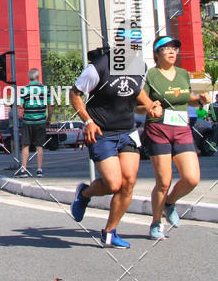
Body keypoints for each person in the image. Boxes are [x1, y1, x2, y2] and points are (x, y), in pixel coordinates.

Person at [69, 43, 162, 248]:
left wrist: (150, 106)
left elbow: (136, 92)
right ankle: (84, 193)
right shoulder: (99, 67)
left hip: (127, 131)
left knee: (128, 182)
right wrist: (88, 122)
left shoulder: (140, 67)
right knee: (113, 184)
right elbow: (75, 94)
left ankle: (110, 232)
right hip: (102, 132)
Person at [143, 36, 210, 239]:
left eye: (174, 48)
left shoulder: (182, 74)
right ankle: (155, 223)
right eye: (166, 48)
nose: (172, 52)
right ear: (157, 53)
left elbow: (184, 96)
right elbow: (137, 104)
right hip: (158, 129)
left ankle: (169, 203)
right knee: (163, 181)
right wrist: (148, 108)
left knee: (192, 178)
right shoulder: (151, 75)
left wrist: (199, 99)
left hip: (181, 128)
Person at [17, 68, 51, 177]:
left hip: (28, 121)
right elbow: (50, 106)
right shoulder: (45, 89)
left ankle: (24, 169)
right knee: (39, 145)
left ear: (29, 77)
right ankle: (39, 169)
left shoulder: (24, 90)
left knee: (25, 145)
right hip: (41, 121)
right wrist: (49, 118)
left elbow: (20, 105)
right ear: (38, 77)